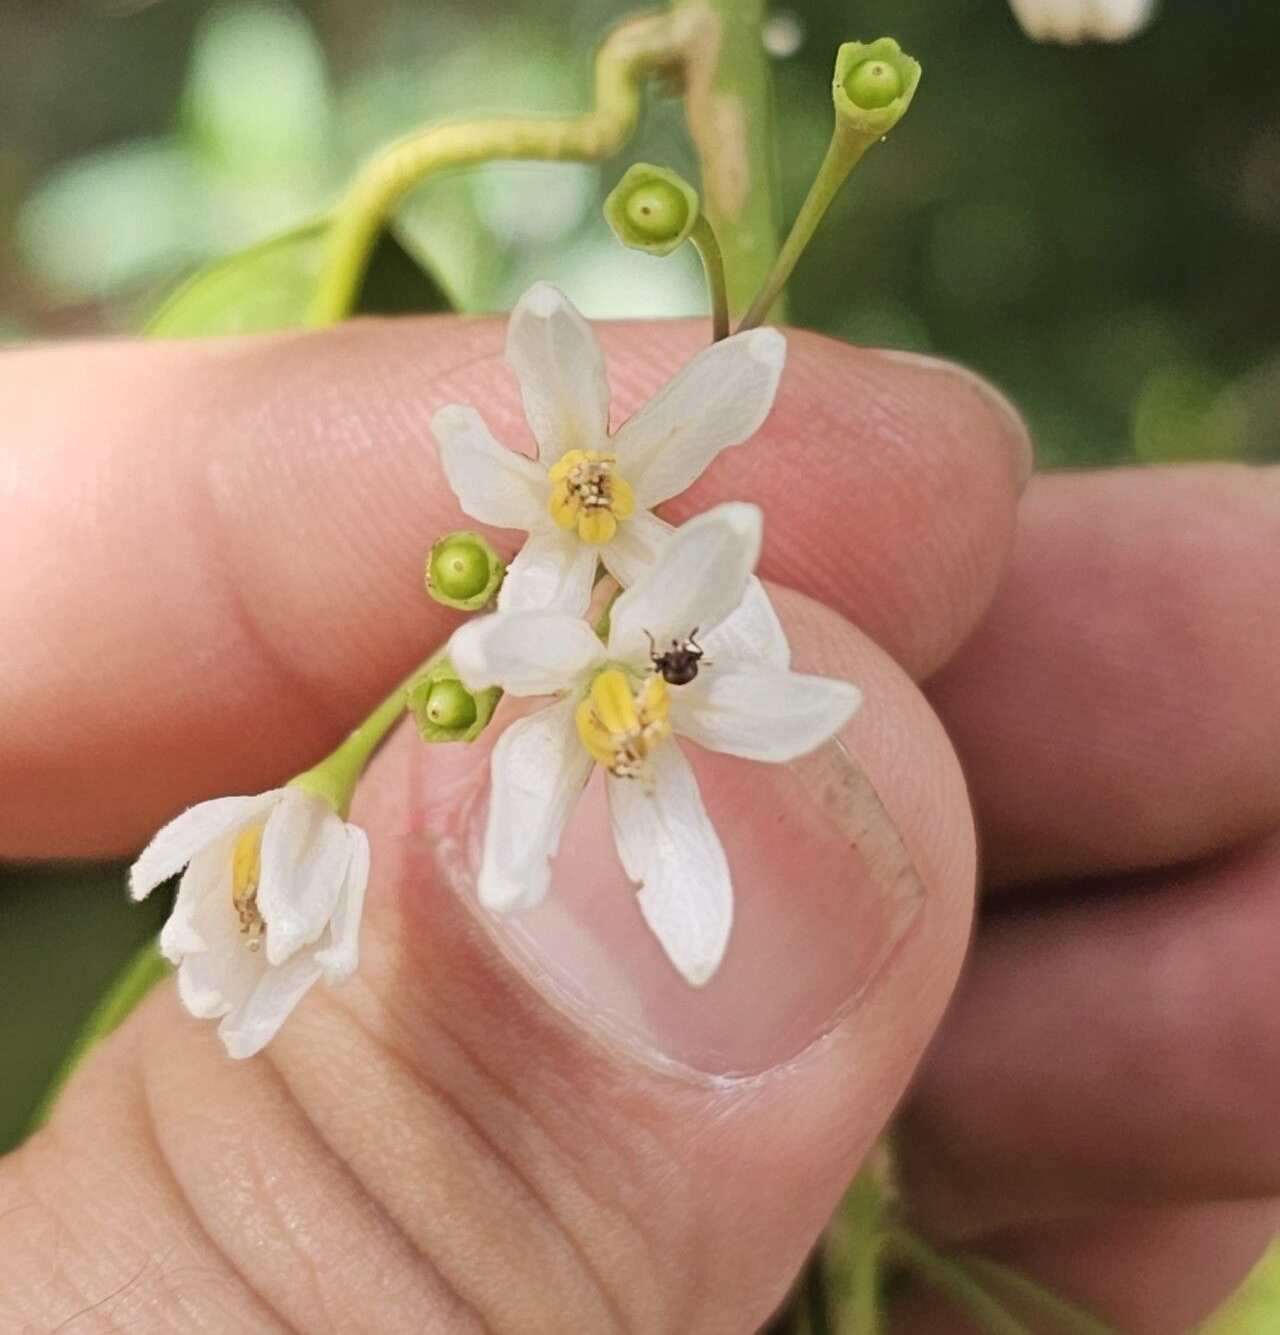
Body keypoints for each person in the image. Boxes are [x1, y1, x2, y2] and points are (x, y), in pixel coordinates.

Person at [1, 317, 1274, 1332]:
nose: (589, 487)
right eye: (575, 484)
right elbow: (539, 691)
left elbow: (694, 602)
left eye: (595, 484)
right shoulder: (563, 616)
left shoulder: (636, 600)